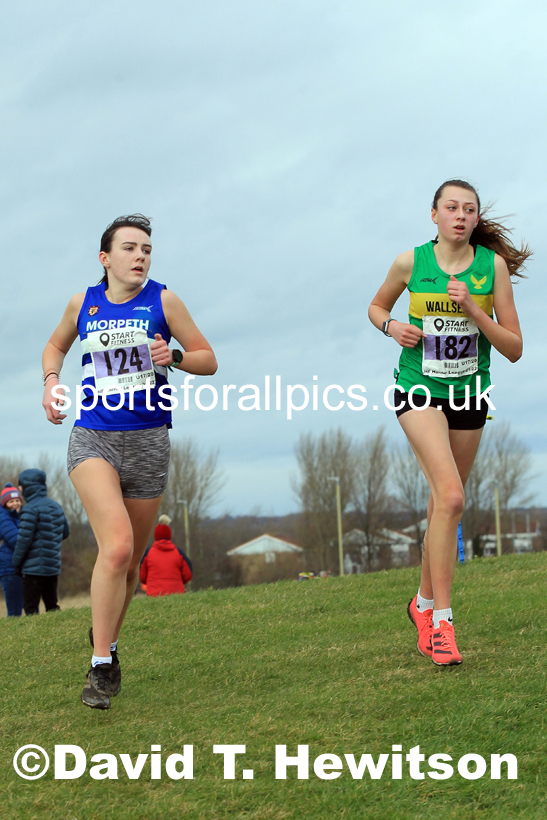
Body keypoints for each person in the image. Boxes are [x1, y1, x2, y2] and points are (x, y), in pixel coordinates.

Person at [41, 214, 217, 709]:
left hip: (148, 443)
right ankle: (100, 668)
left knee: (132, 565)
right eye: (130, 248)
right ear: (106, 258)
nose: (140, 257)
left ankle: (108, 645)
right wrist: (51, 383)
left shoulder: (164, 300)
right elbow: (55, 345)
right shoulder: (84, 303)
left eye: (146, 250)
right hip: (93, 438)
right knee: (115, 548)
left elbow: (208, 357)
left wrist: (173, 357)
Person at [368, 179, 529, 666]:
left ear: (476, 220)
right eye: (451, 207)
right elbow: (377, 306)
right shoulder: (410, 263)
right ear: (434, 214)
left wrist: (473, 309)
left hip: (468, 394)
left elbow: (514, 348)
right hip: (418, 390)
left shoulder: (491, 267)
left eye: (470, 209)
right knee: (453, 495)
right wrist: (392, 326)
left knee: (445, 504)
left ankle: (420, 602)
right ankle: (442, 621)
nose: (460, 215)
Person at [12, 469, 70, 615]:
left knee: (31, 608)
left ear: (26, 486)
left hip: (32, 570)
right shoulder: (56, 506)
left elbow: (23, 541)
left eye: (20, 486)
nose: (19, 489)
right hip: (52, 567)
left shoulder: (29, 510)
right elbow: (65, 532)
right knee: (52, 604)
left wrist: (16, 563)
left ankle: (34, 634)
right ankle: (58, 629)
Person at [140, 515, 193, 597]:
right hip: (177, 595)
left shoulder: (148, 553)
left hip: (154, 595)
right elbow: (188, 575)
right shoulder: (178, 552)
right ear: (169, 535)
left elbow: (142, 577)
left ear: (155, 535)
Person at [0, 483, 24, 616]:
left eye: (17, 500)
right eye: (11, 501)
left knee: (22, 606)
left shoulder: (17, 516)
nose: (15, 504)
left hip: (17, 566)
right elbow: (16, 540)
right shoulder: (3, 517)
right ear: (5, 503)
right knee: (14, 610)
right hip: (8, 568)